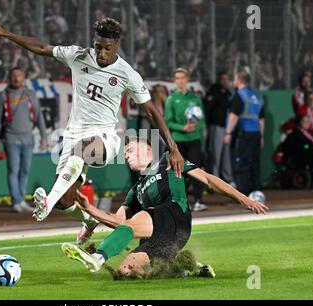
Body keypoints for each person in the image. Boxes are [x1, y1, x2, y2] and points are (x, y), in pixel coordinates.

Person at [0, 17, 184, 243]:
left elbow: (151, 112)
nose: (101, 53)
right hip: (73, 135)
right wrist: (6, 34)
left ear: (116, 46)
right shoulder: (78, 55)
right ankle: (89, 219)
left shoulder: (127, 74)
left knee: (81, 151)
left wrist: (173, 147)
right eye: (98, 47)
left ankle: (47, 202)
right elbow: (41, 48)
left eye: (107, 49)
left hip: (104, 138)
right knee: (66, 202)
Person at [61, 136, 268, 277]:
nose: (127, 156)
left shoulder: (169, 162)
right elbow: (118, 222)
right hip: (160, 238)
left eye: (131, 150)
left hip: (175, 218)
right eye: (125, 154)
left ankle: (97, 257)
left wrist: (244, 199)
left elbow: (208, 180)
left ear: (148, 150)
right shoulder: (136, 189)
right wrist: (89, 209)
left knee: (137, 221)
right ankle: (184, 268)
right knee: (126, 270)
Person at [0, 67, 48, 212]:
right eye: (13, 75)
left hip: (28, 139)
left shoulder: (30, 94)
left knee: (25, 171)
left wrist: (44, 136)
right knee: (13, 170)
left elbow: (39, 116)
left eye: (19, 75)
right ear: (9, 78)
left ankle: (21, 199)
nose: (16, 78)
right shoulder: (3, 96)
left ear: (24, 77)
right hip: (11, 139)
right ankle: (16, 201)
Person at [165, 67, 207, 211]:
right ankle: (180, 203)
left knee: (196, 171)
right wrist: (182, 128)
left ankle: (199, 201)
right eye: (177, 78)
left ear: (187, 80)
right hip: (178, 141)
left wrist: (196, 126)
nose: (180, 81)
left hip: (194, 139)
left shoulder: (194, 98)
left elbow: (202, 120)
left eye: (182, 78)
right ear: (174, 81)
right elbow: (168, 122)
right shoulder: (171, 99)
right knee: (178, 172)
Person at [225, 70, 264, 196]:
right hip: (256, 134)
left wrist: (228, 133)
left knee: (241, 163)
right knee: (255, 164)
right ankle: (256, 192)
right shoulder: (257, 96)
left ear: (239, 81)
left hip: (243, 134)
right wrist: (261, 136)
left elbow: (233, 117)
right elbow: (262, 120)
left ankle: (243, 194)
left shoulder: (239, 96)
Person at [204, 71, 235, 186]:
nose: (225, 81)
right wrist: (208, 125)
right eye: (223, 79)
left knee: (226, 154)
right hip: (216, 127)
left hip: (226, 128)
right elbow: (208, 109)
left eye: (227, 79)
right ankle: (214, 180)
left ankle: (227, 178)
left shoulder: (227, 92)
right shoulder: (214, 91)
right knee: (215, 154)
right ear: (219, 79)